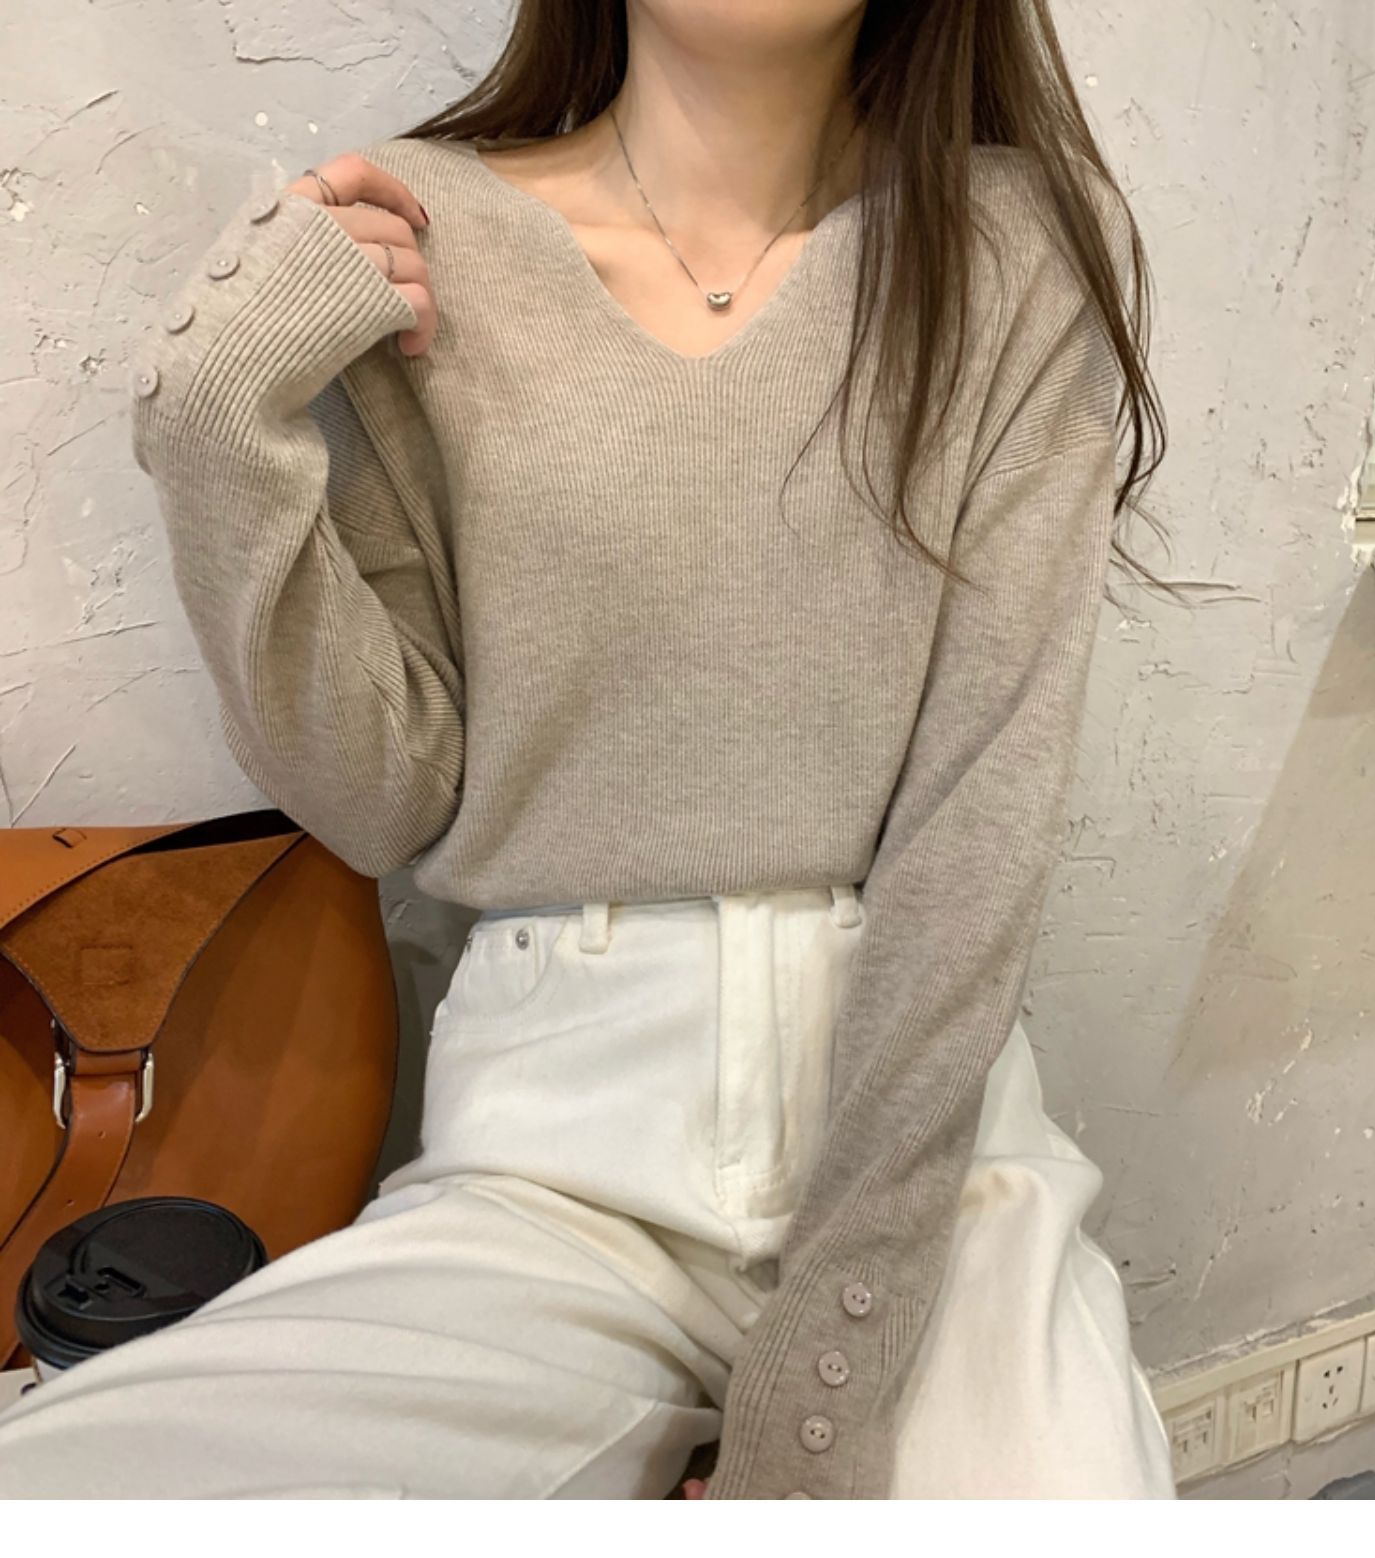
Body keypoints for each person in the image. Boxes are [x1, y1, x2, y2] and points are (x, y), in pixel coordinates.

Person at [0, 0, 1179, 1499]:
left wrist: (823, 1399)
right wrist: (221, 431)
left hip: (931, 1166)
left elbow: (980, 825)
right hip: (549, 1154)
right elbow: (387, 799)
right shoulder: (432, 242)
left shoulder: (1011, 247)